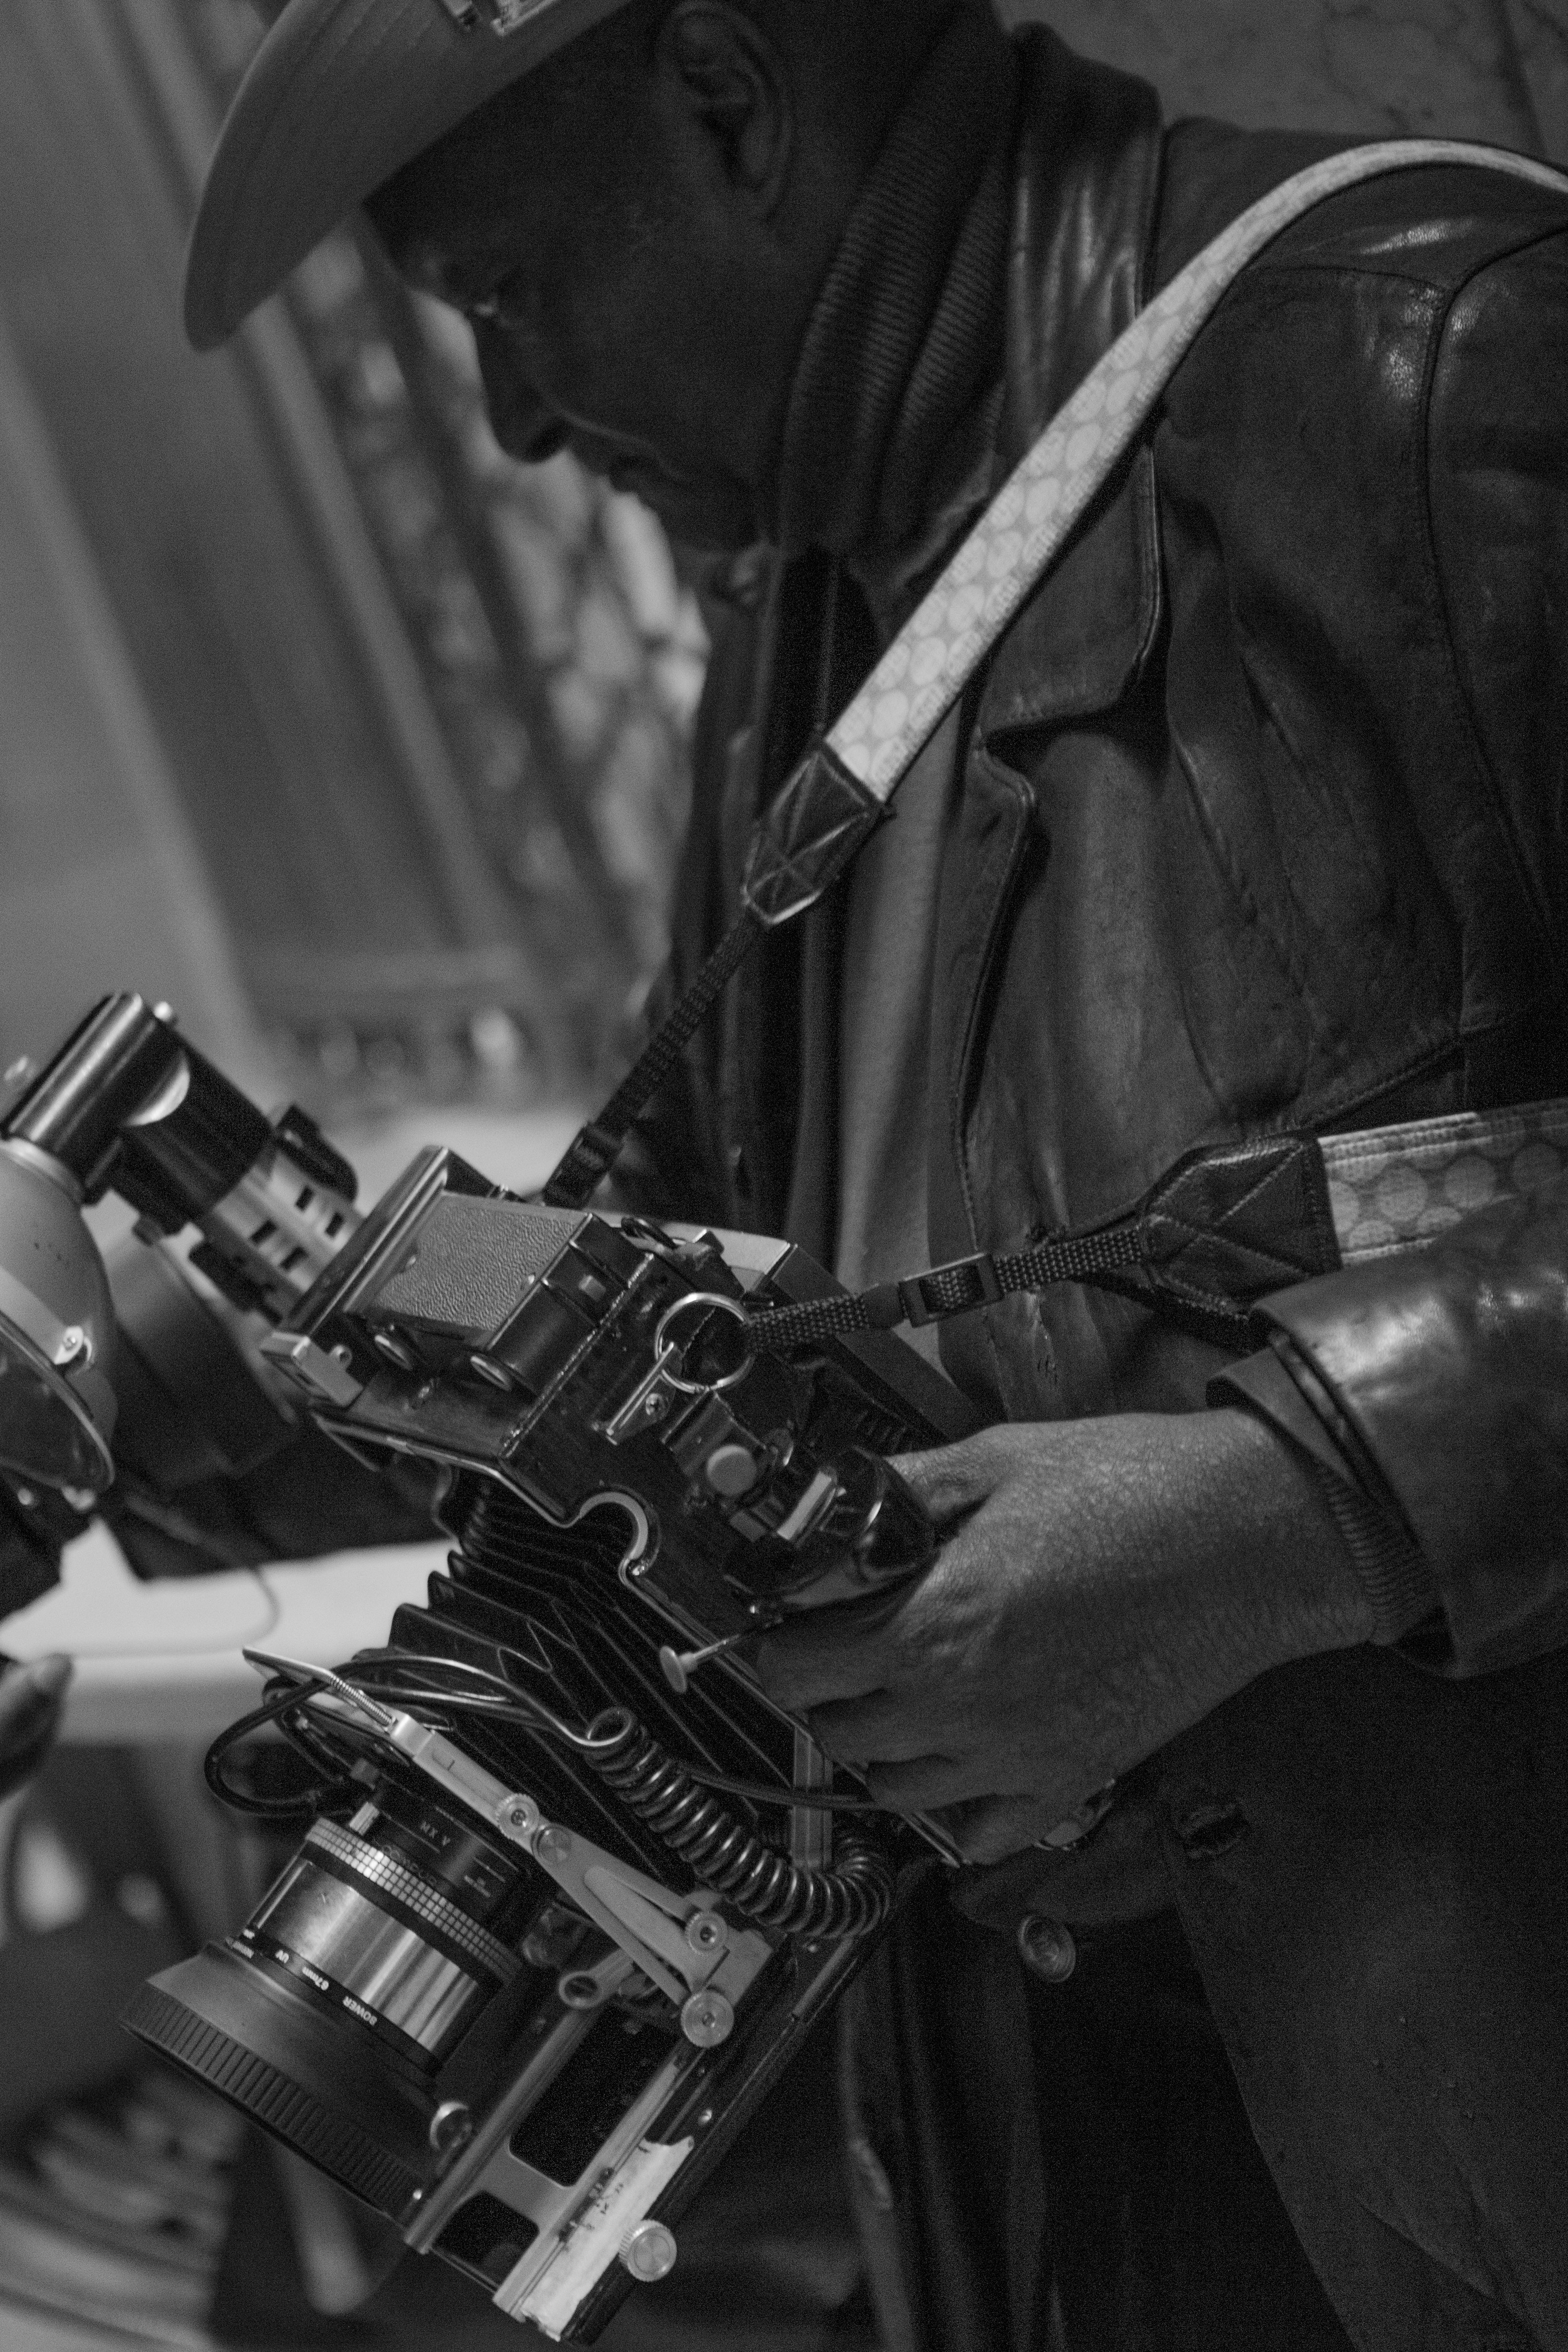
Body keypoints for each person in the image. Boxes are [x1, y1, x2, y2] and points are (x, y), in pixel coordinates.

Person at [115, 0, 1568, 2346]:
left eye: (507, 297)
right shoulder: (821, 621)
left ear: (730, 101)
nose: (510, 420)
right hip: (1124, 2163)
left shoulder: (1423, 362)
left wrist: (1291, 1512)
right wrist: (188, 1381)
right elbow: (667, 1313)